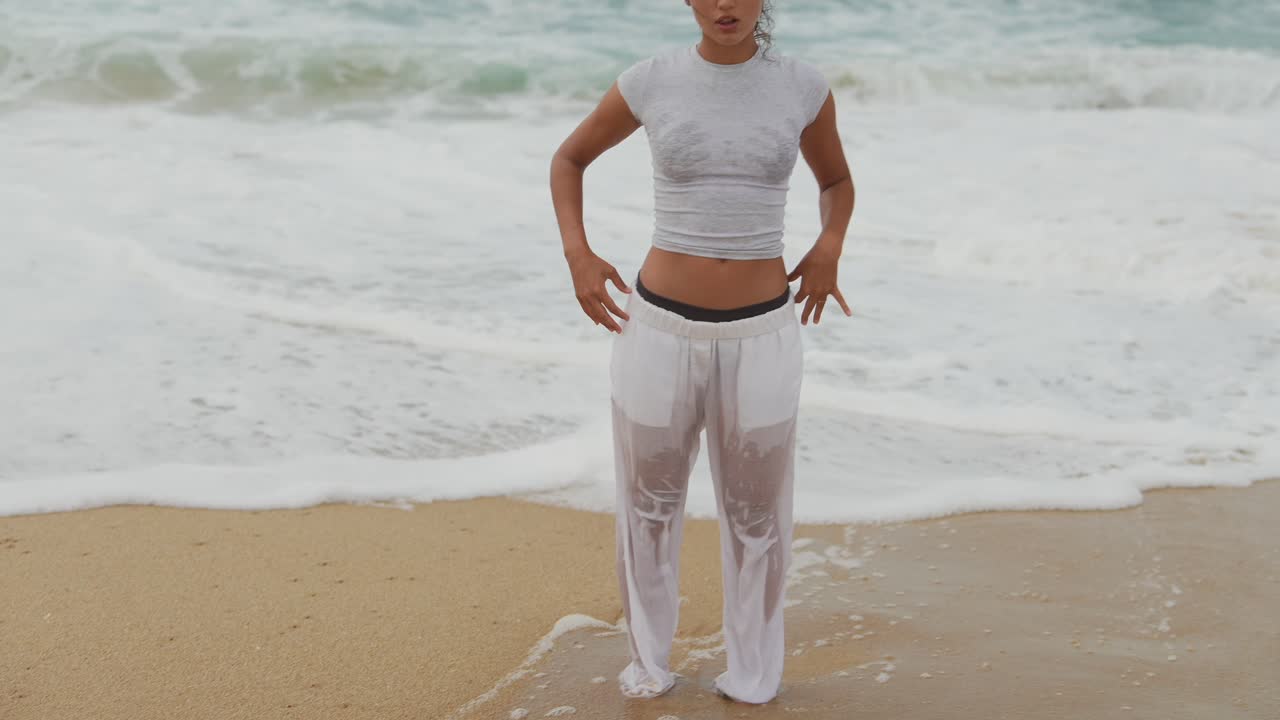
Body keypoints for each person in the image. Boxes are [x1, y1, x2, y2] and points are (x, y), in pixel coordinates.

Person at [548, 0, 854, 705]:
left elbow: (836, 181)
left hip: (763, 333)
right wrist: (578, 255)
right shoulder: (649, 81)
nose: (725, 6)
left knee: (759, 517)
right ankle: (649, 666)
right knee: (648, 506)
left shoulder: (803, 86)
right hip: (657, 329)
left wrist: (829, 246)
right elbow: (569, 159)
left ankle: (752, 676)